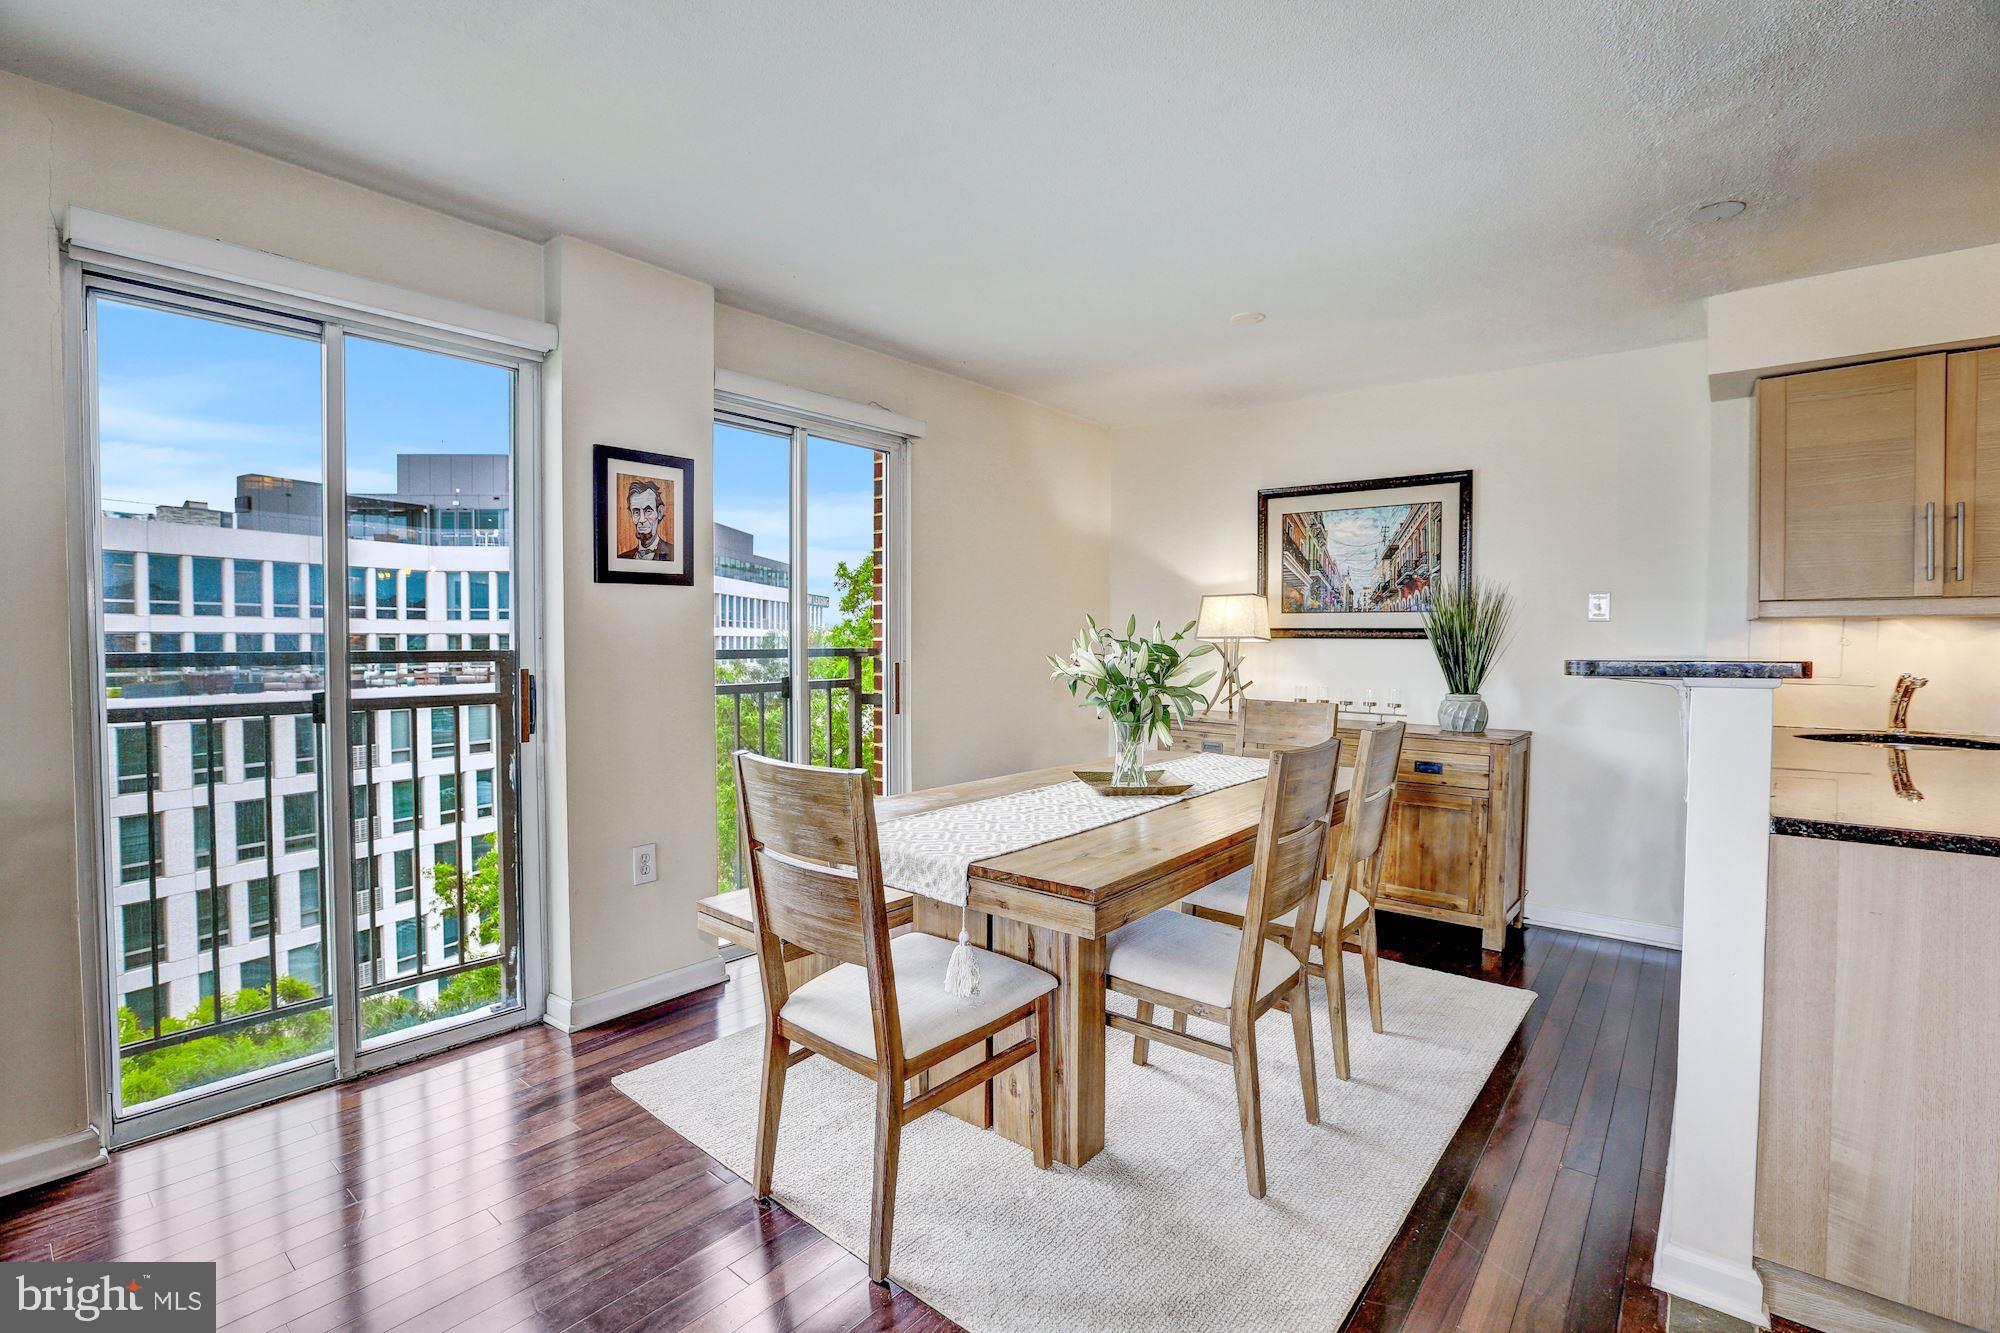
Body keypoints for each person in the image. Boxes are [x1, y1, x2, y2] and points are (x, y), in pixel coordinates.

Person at [619, 478, 674, 561]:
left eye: (648, 511)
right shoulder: (622, 558)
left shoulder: (675, 554)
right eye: (636, 512)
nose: (641, 520)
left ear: (659, 512)